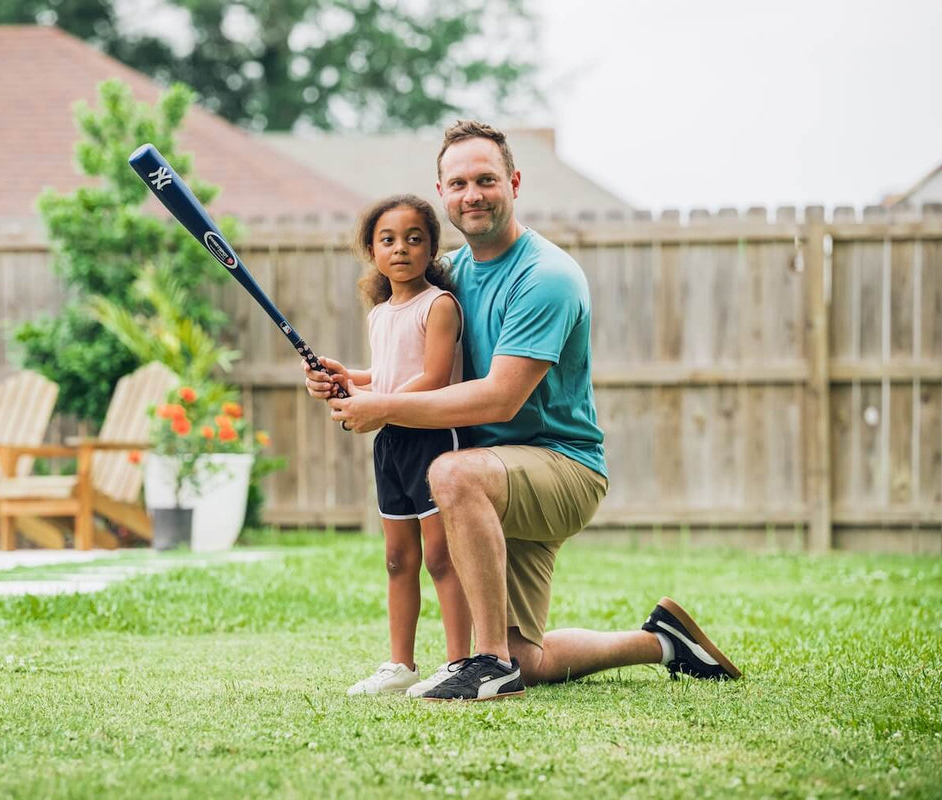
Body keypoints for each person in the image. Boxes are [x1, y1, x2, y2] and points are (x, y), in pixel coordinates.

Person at [306, 121, 741, 702]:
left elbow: (499, 397)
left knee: (451, 473)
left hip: (559, 466)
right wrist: (352, 379)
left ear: (513, 181)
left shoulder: (546, 276)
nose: (473, 194)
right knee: (528, 658)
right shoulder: (449, 274)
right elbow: (411, 361)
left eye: (485, 179)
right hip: (493, 479)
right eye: (458, 183)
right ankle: (663, 643)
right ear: (442, 194)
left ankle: (486, 663)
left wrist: (381, 407)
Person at [337, 194, 475, 697]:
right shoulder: (380, 313)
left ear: (432, 248)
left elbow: (434, 378)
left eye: (414, 239)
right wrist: (349, 378)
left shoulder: (438, 306)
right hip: (391, 442)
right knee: (399, 559)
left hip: (433, 439)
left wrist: (375, 403)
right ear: (371, 251)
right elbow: (388, 374)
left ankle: (460, 662)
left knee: (441, 557)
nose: (401, 249)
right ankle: (401, 665)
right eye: (387, 240)